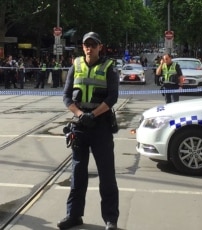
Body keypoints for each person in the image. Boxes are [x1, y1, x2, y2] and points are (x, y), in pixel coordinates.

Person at [59, 32, 119, 230]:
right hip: (80, 126)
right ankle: (74, 215)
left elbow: (112, 97)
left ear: (99, 47)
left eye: (93, 45)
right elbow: (67, 96)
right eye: (86, 45)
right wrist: (79, 114)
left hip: (101, 126)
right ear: (82, 47)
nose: (89, 48)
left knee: (107, 175)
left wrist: (93, 114)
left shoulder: (109, 67)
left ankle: (110, 219)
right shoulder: (75, 65)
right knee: (77, 173)